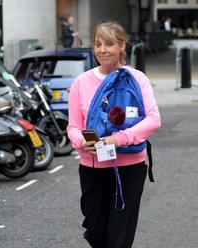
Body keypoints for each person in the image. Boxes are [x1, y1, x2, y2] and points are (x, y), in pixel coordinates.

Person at [67, 20, 161, 248]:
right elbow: (72, 127)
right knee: (95, 232)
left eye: (109, 44)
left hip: (129, 168)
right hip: (92, 167)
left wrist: (117, 138)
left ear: (122, 46)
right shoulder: (81, 82)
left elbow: (153, 119)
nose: (102, 50)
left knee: (118, 236)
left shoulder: (137, 79)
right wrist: (81, 141)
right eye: (98, 44)